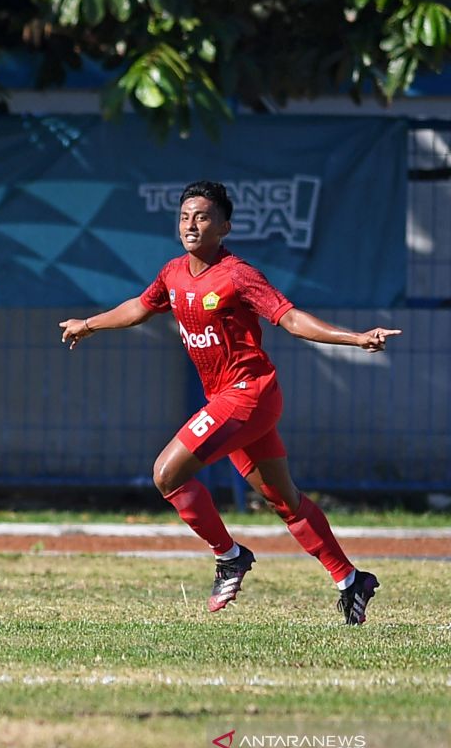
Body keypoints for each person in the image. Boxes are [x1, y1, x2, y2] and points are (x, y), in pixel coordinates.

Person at [59, 180, 400, 625]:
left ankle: (229, 557)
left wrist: (354, 338)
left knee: (167, 473)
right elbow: (140, 308)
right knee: (284, 500)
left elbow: (291, 318)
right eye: (184, 217)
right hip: (229, 399)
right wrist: (90, 324)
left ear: (225, 226)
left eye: (202, 216)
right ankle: (350, 579)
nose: (191, 225)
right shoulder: (173, 272)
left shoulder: (238, 274)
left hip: (249, 395)